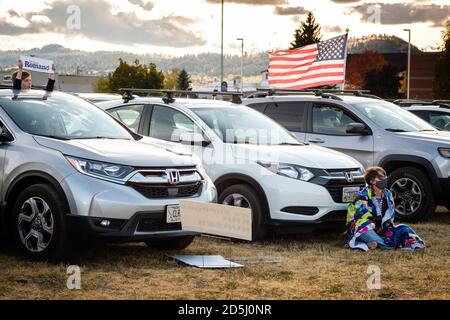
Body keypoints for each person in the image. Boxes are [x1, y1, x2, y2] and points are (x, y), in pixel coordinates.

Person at [345, 166, 425, 251]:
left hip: (382, 229)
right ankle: (380, 243)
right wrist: (375, 224)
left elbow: (390, 215)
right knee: (368, 232)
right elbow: (362, 214)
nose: (384, 179)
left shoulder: (388, 194)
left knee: (403, 228)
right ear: (372, 181)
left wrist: (388, 225)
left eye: (384, 176)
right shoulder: (362, 195)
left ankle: (375, 243)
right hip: (364, 227)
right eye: (380, 177)